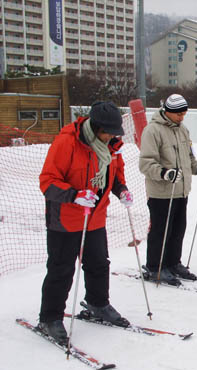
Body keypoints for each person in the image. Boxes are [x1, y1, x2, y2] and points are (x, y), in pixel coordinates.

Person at [38, 101, 132, 345]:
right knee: (61, 269)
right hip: (65, 219)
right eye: (108, 131)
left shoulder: (111, 146)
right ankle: (49, 317)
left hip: (95, 217)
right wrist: (74, 195)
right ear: (96, 126)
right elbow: (47, 182)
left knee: (99, 263)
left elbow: (115, 174)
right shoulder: (67, 141)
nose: (111, 136)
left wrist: (121, 190)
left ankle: (98, 304)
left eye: (114, 132)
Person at [139, 94, 197, 284]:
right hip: (161, 192)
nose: (182, 117)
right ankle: (155, 266)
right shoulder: (152, 131)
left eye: (184, 114)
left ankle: (173, 262)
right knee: (161, 231)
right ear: (168, 112)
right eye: (179, 114)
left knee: (178, 230)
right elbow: (145, 163)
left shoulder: (183, 130)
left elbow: (189, 158)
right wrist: (164, 173)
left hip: (181, 190)